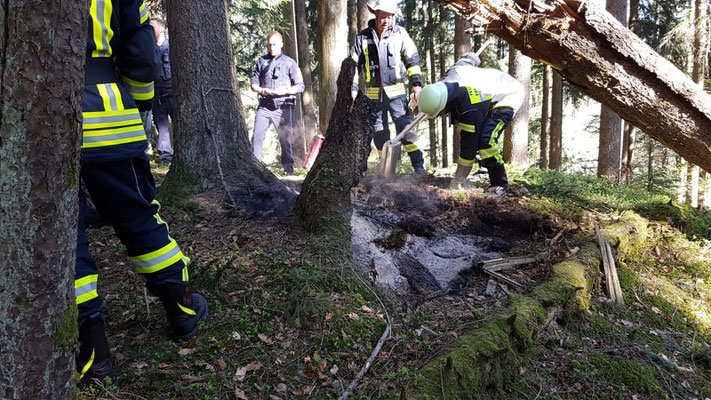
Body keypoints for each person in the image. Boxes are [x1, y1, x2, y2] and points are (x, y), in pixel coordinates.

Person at [77, 0, 207, 386]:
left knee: (62, 240)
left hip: (32, 127)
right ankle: (182, 309)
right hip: (108, 119)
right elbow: (139, 48)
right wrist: (140, 102)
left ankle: (94, 359)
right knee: (139, 218)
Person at [417, 53, 524, 194]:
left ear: (443, 105)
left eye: (439, 113)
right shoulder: (450, 75)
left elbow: (468, 148)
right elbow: (466, 60)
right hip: (491, 90)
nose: (439, 116)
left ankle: (500, 185)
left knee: (486, 141)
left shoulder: (468, 109)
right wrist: (471, 56)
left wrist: (459, 180)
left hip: (509, 92)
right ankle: (486, 168)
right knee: (482, 136)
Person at [351, 0, 426, 174]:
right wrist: (353, 88)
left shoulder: (400, 34)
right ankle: (387, 171)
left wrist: (416, 84)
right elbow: (353, 65)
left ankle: (419, 168)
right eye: (383, 16)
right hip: (373, 97)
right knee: (379, 133)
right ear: (375, 15)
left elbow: (412, 59)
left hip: (396, 96)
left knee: (406, 129)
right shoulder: (363, 38)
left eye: (389, 17)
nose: (386, 20)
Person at [250, 31, 305, 175]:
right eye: (269, 45)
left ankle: (289, 171)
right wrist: (261, 90)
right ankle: (254, 170)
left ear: (281, 44)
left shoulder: (289, 63)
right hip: (265, 106)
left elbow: (300, 86)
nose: (271, 47)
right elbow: (254, 83)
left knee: (285, 140)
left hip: (283, 107)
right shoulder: (262, 61)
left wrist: (286, 90)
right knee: (257, 137)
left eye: (274, 44)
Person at [149, 18, 174, 167]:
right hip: (157, 95)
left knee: (181, 123)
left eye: (153, 28)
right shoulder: (150, 49)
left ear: (162, 29)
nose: (150, 31)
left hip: (173, 93)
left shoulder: (171, 47)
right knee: (162, 127)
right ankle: (166, 158)